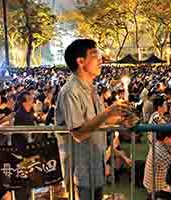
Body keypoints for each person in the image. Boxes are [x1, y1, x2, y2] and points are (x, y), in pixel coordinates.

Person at [56, 39, 137, 200]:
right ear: (80, 61)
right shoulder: (70, 92)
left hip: (95, 163)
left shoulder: (91, 89)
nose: (100, 59)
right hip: (80, 170)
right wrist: (108, 111)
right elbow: (78, 133)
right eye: (94, 54)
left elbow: (100, 121)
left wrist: (121, 120)